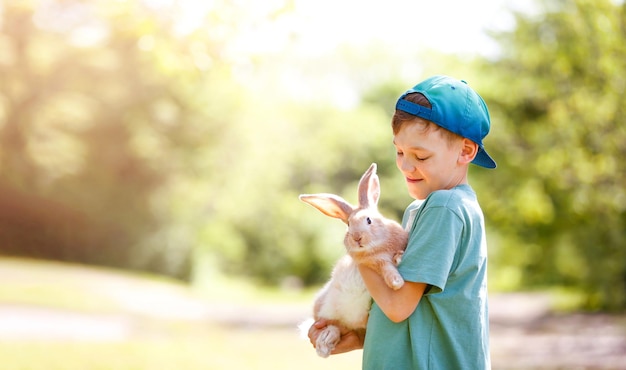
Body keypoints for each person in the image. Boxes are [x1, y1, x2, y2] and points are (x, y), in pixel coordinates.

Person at [308, 75, 495, 369]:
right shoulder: (422, 210)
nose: (406, 166)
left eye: (420, 155)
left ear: (466, 151)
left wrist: (361, 253)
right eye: (399, 152)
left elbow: (398, 307)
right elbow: (415, 310)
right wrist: (359, 337)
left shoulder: (445, 207)